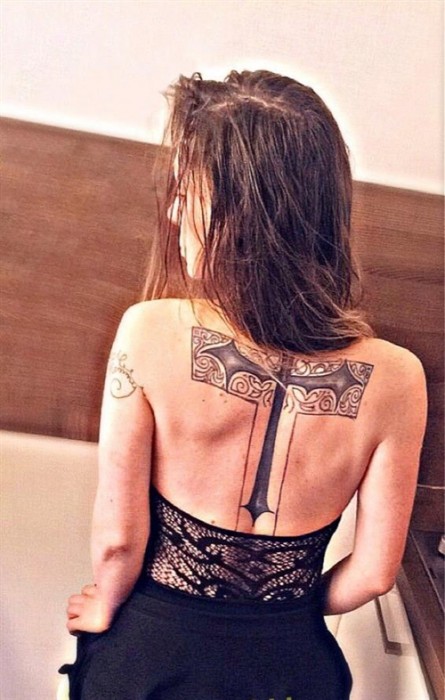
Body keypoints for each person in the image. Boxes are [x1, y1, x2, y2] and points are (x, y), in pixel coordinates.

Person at [58, 69, 428, 700]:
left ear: (243, 214)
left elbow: (119, 542)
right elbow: (374, 574)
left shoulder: (148, 331)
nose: (174, 211)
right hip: (294, 671)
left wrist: (103, 605)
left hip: (152, 663)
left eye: (189, 192)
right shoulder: (398, 378)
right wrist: (287, 617)